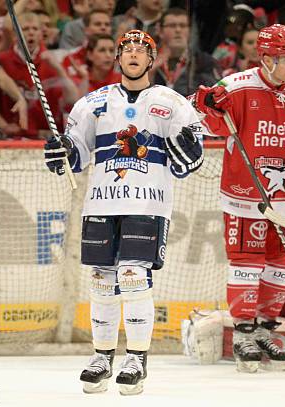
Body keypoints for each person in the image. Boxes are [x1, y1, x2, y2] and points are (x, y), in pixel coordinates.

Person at [43, 29, 205, 394]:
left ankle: (136, 358)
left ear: (152, 58)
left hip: (147, 204)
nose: (133, 54)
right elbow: (76, 157)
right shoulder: (92, 104)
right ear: (117, 58)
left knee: (132, 276)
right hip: (101, 202)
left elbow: (191, 160)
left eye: (141, 49)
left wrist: (189, 150)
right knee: (102, 281)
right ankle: (101, 357)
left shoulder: (172, 102)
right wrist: (61, 153)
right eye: (126, 48)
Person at [192, 23, 285, 373]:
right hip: (243, 193)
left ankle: (265, 328)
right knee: (247, 263)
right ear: (265, 59)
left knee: (280, 266)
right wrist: (207, 104)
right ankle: (244, 332)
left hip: (284, 196)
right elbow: (199, 115)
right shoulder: (236, 85)